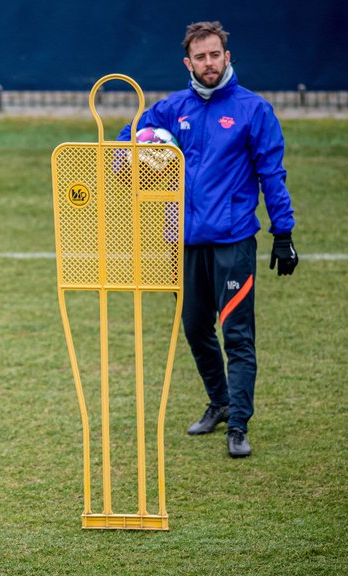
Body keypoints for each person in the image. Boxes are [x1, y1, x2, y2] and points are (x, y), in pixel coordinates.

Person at [118, 21, 299, 458]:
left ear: (227, 57)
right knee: (196, 328)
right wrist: (137, 160)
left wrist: (284, 232)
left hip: (233, 242)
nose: (209, 63)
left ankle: (239, 424)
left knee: (237, 334)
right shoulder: (169, 109)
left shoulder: (254, 110)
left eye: (215, 55)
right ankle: (218, 402)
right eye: (200, 57)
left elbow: (272, 175)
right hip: (181, 241)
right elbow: (126, 142)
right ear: (189, 62)